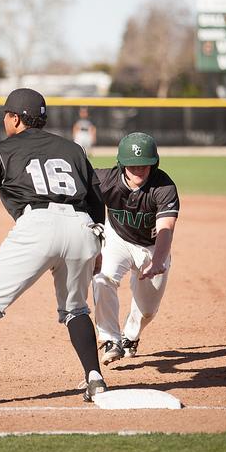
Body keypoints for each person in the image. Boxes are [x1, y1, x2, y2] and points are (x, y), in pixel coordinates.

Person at [0, 88, 108, 403]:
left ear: (15, 118)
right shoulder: (73, 148)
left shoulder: (4, 149)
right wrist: (98, 244)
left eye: (6, 114)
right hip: (82, 228)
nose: (4, 119)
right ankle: (95, 378)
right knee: (76, 309)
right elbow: (96, 200)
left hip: (38, 226)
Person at [92, 132, 179, 365]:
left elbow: (166, 228)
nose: (138, 170)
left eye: (144, 165)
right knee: (102, 278)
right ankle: (110, 339)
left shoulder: (164, 187)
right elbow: (76, 185)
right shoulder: (105, 179)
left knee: (148, 310)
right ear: (121, 165)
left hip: (152, 247)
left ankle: (130, 336)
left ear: (154, 163)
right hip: (117, 239)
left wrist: (159, 259)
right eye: (132, 165)